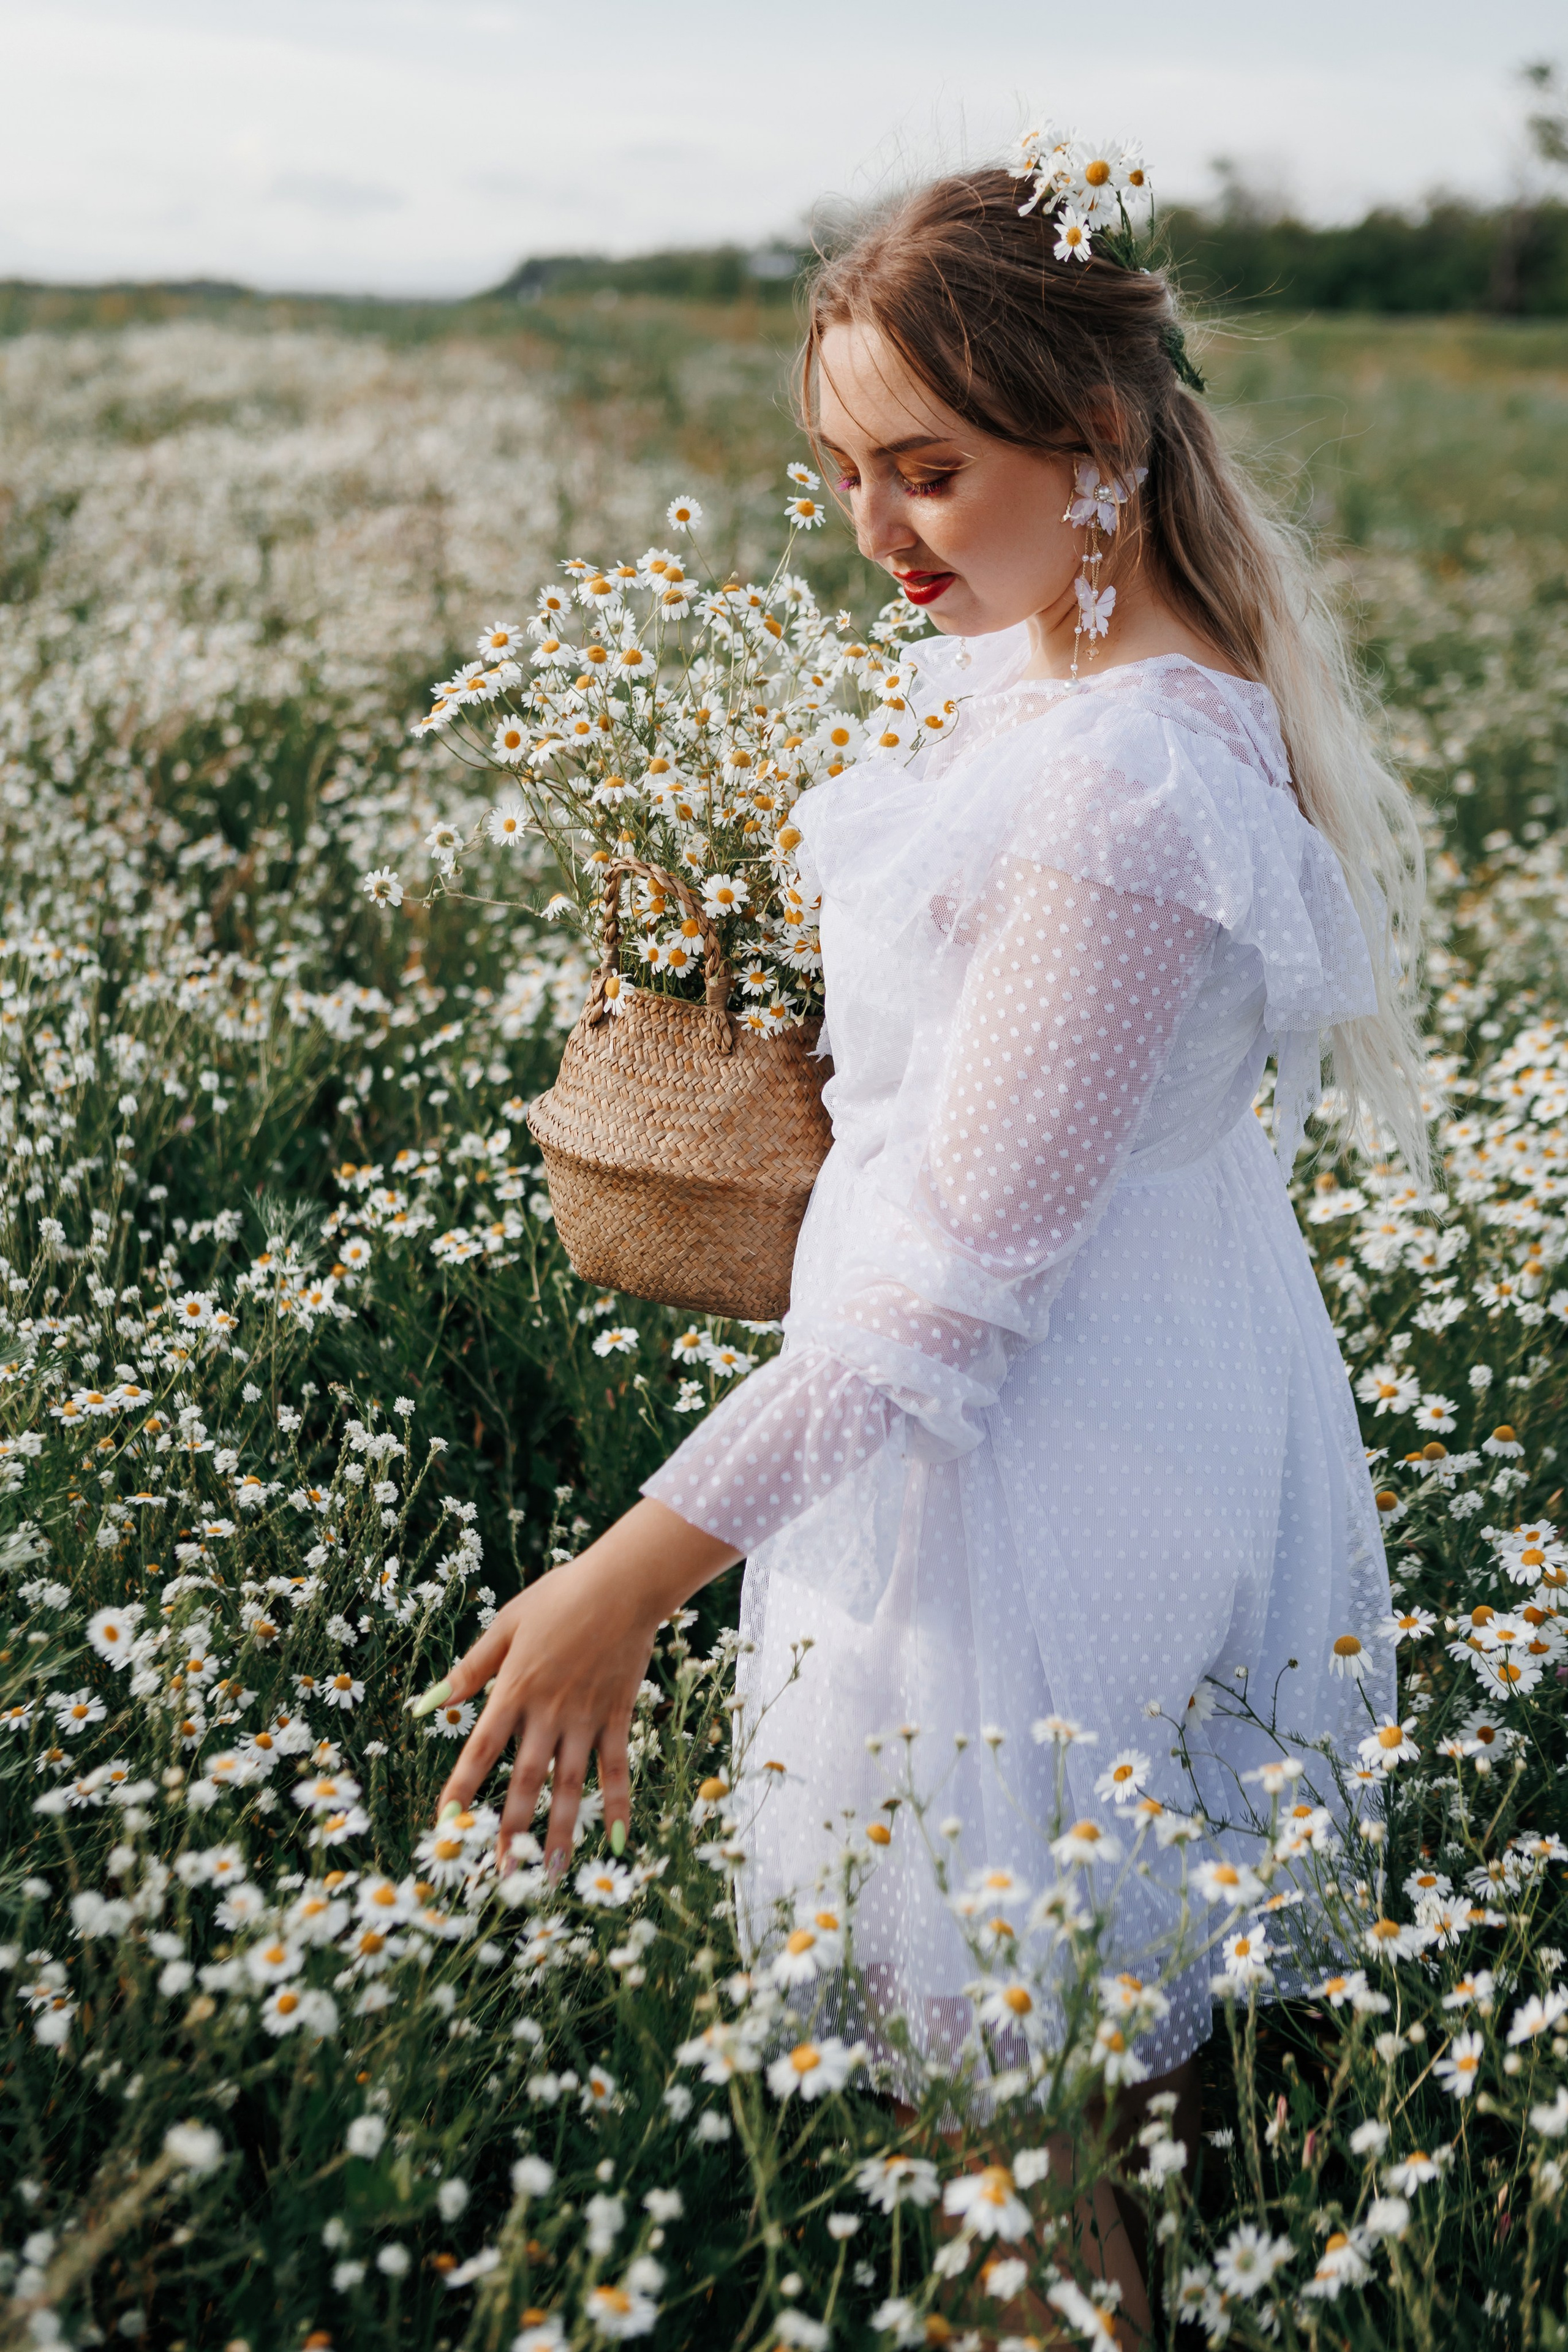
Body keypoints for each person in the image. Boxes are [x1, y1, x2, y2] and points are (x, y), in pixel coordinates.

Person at [421, 156, 1427, 2328]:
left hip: (1026, 1470)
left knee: (1000, 2139)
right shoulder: (1017, 683)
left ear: (1105, 446)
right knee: (1073, 2069)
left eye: (928, 470)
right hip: (1015, 1402)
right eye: (844, 473)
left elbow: (952, 1296)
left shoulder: (1128, 786)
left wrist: (624, 1585)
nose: (877, 532)